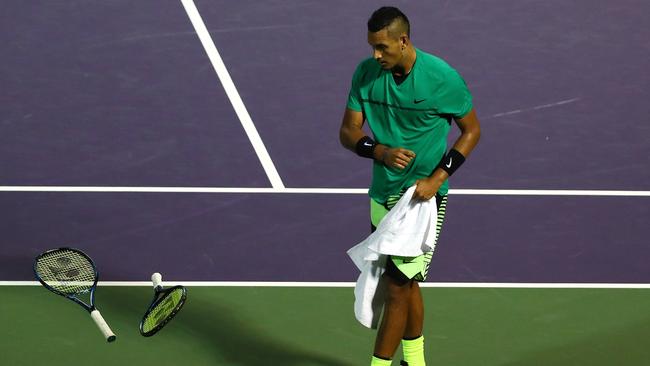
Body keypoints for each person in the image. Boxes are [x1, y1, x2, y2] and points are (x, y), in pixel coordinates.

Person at [339, 6, 481, 366]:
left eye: (382, 47)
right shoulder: (366, 74)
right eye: (372, 46)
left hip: (421, 201)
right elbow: (348, 132)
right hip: (381, 194)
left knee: (397, 287)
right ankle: (415, 362)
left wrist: (437, 179)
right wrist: (380, 151)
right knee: (406, 282)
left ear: (403, 41)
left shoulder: (441, 78)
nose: (375, 55)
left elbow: (472, 130)